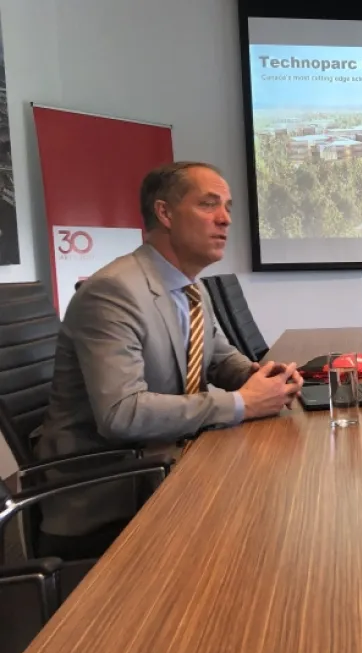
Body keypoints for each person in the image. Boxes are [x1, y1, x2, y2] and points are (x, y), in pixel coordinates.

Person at [33, 161, 304, 558]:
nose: (226, 219)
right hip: (109, 492)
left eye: (227, 206)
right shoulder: (112, 293)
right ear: (164, 213)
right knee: (269, 530)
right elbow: (121, 413)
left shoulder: (191, 288)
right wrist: (242, 403)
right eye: (209, 204)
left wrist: (263, 376)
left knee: (282, 500)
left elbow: (217, 357)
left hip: (171, 461)